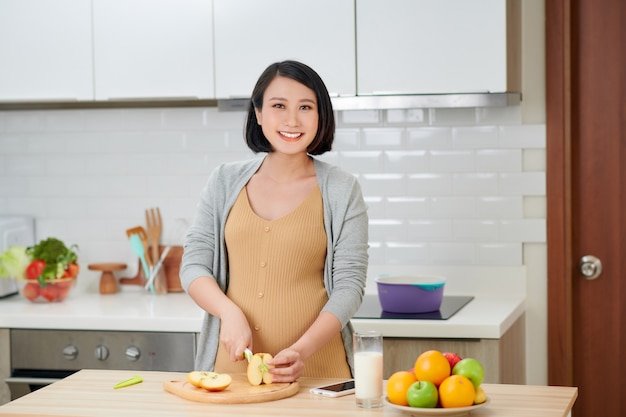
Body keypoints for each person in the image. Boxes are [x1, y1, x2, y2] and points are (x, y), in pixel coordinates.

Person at [180, 60, 369, 383]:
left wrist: (303, 350)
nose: (292, 120)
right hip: (233, 372)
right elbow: (194, 265)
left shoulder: (342, 188)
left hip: (318, 373)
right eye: (278, 105)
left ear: (321, 115)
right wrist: (229, 313)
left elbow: (350, 286)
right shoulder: (224, 181)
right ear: (258, 113)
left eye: (305, 107)